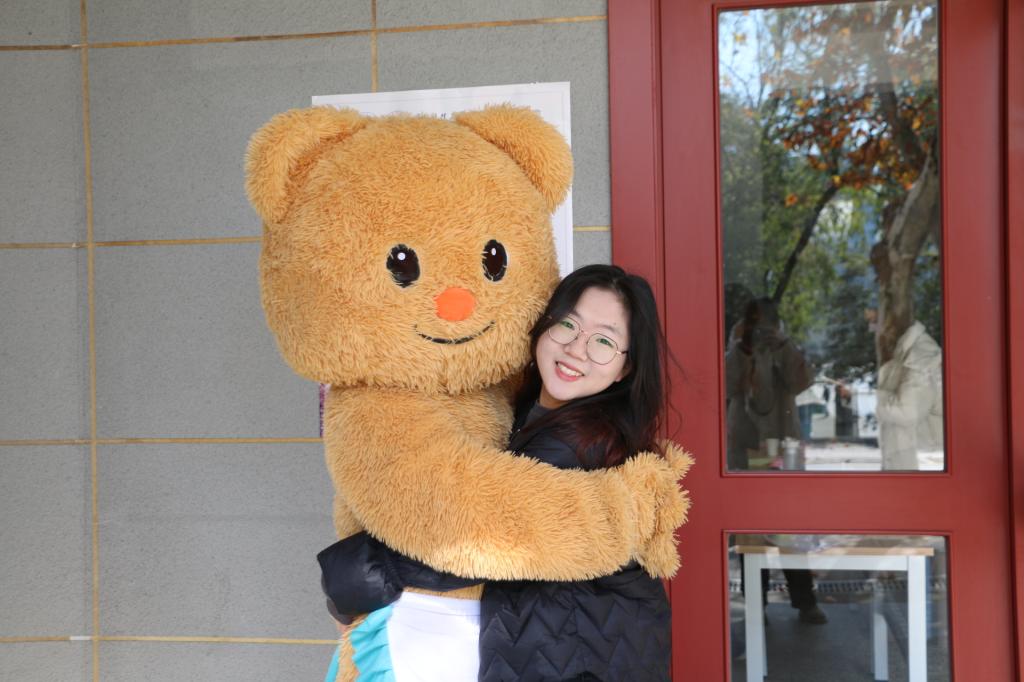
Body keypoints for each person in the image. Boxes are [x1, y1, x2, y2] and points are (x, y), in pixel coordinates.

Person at [320, 265, 687, 681]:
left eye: (604, 341)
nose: (577, 349)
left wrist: (354, 576)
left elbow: (480, 536)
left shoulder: (582, 444)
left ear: (624, 368)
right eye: (568, 325)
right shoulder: (523, 412)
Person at [876, 320, 944, 470]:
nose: (875, 333)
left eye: (876, 325)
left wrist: (877, 404)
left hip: (920, 457)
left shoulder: (920, 360)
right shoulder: (907, 357)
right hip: (910, 455)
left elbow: (908, 414)